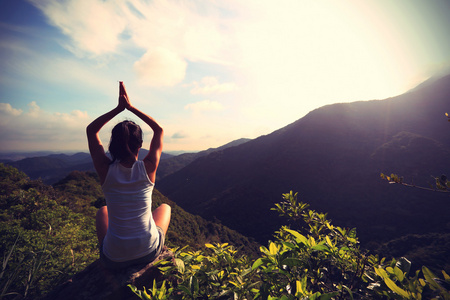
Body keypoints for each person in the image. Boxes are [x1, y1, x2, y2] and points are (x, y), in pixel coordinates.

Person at [86, 81, 171, 269]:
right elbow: (159, 130)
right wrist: (131, 108)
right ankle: (150, 245)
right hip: (147, 253)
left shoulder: (105, 169)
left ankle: (110, 249)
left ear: (112, 145)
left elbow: (91, 130)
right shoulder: (148, 167)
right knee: (165, 207)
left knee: (103, 210)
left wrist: (118, 109)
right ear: (140, 145)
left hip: (113, 258)